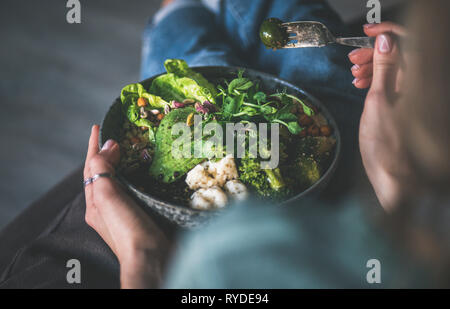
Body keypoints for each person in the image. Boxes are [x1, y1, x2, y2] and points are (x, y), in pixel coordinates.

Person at [82, 0, 450, 288]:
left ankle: (179, 9)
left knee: (199, 53)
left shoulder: (231, 259)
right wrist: (392, 180)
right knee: (312, 51)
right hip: (372, 181)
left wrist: (141, 259)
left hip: (322, 193)